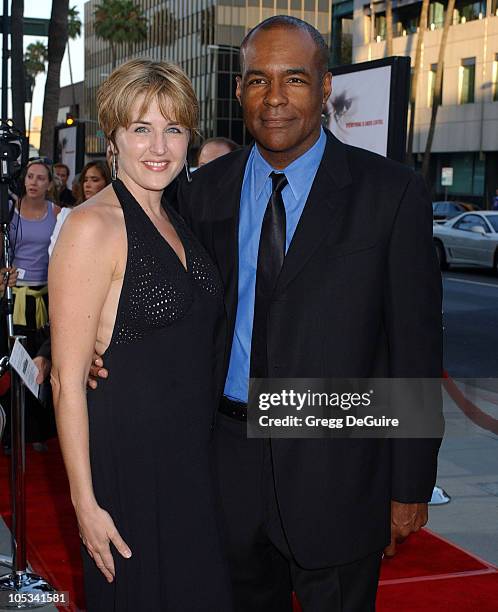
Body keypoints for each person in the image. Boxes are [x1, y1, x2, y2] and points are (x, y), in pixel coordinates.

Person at [92, 16, 442, 611]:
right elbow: (155, 297)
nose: (275, 98)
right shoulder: (199, 193)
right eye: (258, 80)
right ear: (239, 91)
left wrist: (409, 485)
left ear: (326, 88)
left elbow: (413, 345)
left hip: (339, 455)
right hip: (224, 456)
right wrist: (87, 350)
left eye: (295, 80)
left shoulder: (390, 192)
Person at [49, 59, 232, 611]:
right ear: (114, 138)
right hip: (129, 468)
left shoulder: (176, 218)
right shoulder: (91, 226)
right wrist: (85, 504)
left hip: (191, 463)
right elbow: (66, 381)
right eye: (141, 128)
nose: (159, 146)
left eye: (173, 129)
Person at [3, 160, 61, 451]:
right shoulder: (10, 212)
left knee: (42, 363)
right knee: (15, 364)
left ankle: (37, 432)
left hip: (47, 297)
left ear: (49, 184)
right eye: (30, 176)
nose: (34, 182)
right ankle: (12, 431)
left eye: (41, 178)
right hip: (16, 298)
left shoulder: (58, 213)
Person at [49, 161, 111, 256]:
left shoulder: (116, 217)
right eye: (85, 180)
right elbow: (53, 251)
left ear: (107, 183)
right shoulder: (66, 214)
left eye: (94, 180)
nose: (87, 185)